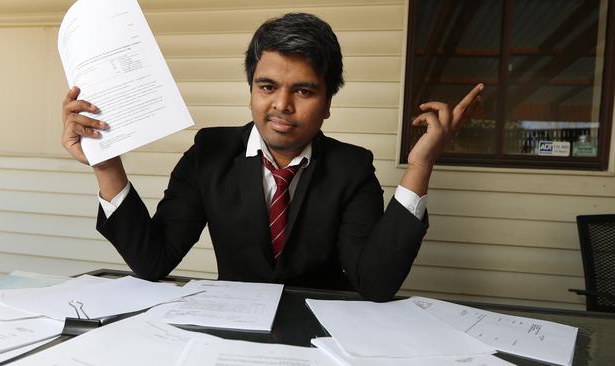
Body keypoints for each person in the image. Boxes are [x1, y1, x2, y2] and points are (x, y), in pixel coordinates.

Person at [61, 13, 482, 302]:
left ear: (328, 103)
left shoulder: (352, 168)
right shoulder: (209, 153)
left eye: (303, 90)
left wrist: (421, 165)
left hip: (321, 337)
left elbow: (375, 284)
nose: (281, 105)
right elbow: (153, 261)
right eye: (266, 87)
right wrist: (106, 163)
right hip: (231, 331)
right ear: (250, 91)